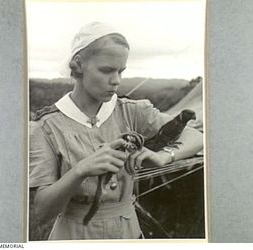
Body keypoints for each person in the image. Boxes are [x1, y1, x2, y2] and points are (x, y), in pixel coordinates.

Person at [29, 22, 203, 240]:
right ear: (79, 64)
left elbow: (196, 137)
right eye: (107, 70)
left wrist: (163, 156)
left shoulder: (132, 111)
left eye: (121, 71)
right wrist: (80, 170)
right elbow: (42, 212)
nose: (116, 81)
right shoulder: (45, 126)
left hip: (127, 234)